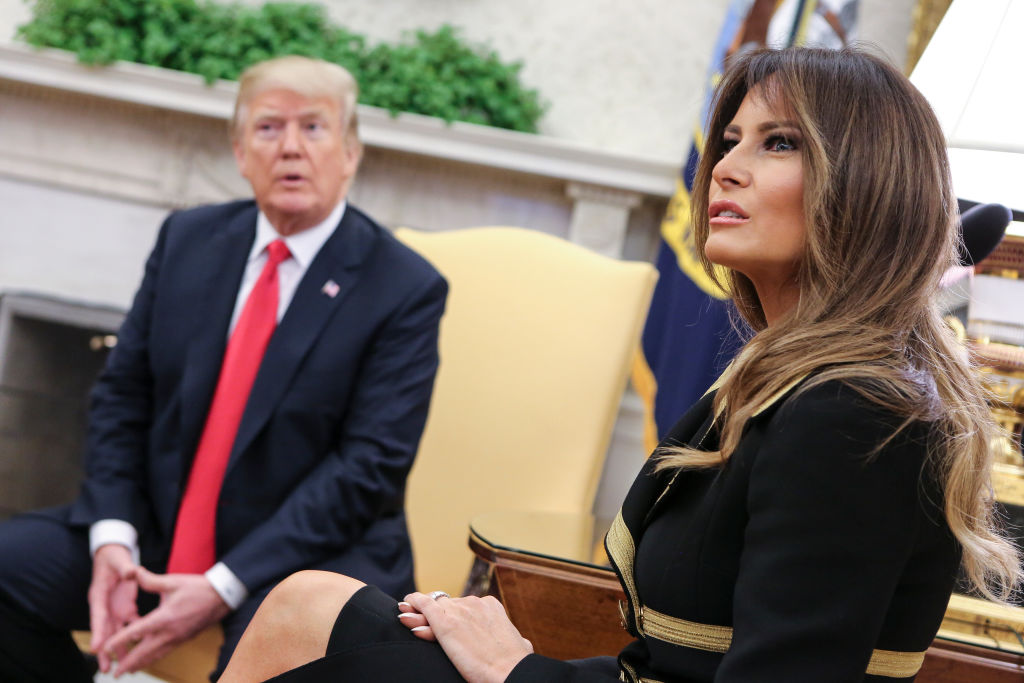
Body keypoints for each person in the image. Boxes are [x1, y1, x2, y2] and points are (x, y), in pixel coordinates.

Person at [218, 46, 1021, 683]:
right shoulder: (787, 381)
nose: (725, 168)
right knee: (304, 602)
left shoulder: (852, 412)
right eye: (730, 140)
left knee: (303, 616)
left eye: (778, 143)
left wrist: (517, 667)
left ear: (870, 183)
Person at [0, 56, 447, 681]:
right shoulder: (187, 238)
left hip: (308, 558)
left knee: (264, 655)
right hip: (163, 528)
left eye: (314, 128)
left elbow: (366, 469)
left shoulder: (404, 286)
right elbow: (121, 397)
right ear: (240, 152)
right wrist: (113, 539)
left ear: (350, 153)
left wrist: (219, 584)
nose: (290, 147)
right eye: (268, 128)